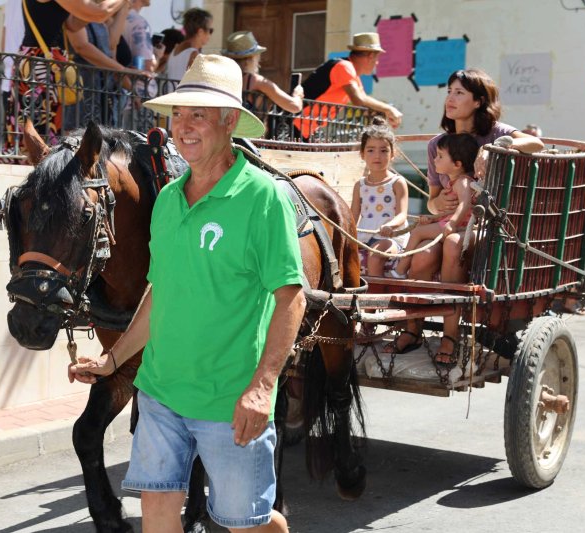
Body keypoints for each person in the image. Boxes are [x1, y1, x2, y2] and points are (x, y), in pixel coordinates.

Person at [69, 54, 304, 532]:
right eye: (178, 113)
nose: (184, 125)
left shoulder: (264, 198)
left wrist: (262, 389)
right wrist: (113, 364)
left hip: (229, 398)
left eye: (199, 113)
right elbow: (161, 294)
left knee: (249, 522)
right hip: (160, 393)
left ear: (230, 120)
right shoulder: (170, 199)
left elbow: (290, 298)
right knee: (155, 509)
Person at [387, 68, 543, 360]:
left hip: (490, 223)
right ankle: (412, 328)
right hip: (451, 221)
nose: (450, 98)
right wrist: (439, 207)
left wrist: (496, 147)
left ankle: (450, 335)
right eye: (448, 92)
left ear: (478, 101)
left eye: (459, 92)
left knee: (453, 244)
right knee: (421, 255)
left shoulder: (495, 132)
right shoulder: (438, 145)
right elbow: (432, 201)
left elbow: (537, 144)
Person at [2, 0, 130, 152]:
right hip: (40, 64)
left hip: (47, 62)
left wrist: (91, 12)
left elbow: (72, 24)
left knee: (48, 133)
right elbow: (99, 13)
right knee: (37, 136)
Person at [389, 134, 479, 289]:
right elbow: (451, 210)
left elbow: (465, 204)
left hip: (457, 226)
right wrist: (433, 219)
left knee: (417, 232)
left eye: (440, 156)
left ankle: (400, 269)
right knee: (420, 228)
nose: (435, 159)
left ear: (457, 164)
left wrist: (452, 223)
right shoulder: (455, 182)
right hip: (451, 223)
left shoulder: (463, 182)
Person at [295, 32, 402, 140]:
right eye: (377, 58)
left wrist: (384, 115)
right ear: (370, 56)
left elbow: (365, 104)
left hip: (306, 128)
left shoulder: (352, 74)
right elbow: (359, 100)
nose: (377, 63)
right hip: (293, 124)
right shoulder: (344, 67)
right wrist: (389, 109)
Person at [351, 116, 409, 277]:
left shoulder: (397, 182)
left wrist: (390, 226)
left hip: (390, 237)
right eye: (371, 150)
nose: (377, 156)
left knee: (376, 257)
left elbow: (402, 214)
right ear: (362, 154)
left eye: (383, 150)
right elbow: (353, 216)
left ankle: (375, 298)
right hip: (364, 236)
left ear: (393, 154)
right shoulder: (360, 185)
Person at [222, 30, 303, 115]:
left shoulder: (220, 79)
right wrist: (298, 95)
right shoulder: (257, 81)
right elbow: (294, 106)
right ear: (251, 59)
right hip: (248, 128)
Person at [121, 0, 163, 130]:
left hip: (122, 95)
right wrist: (158, 56)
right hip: (139, 96)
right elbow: (148, 67)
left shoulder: (117, 18)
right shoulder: (139, 23)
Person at [165, 7, 212, 82]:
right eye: (210, 30)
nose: (210, 35)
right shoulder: (193, 54)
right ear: (200, 32)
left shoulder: (175, 50)